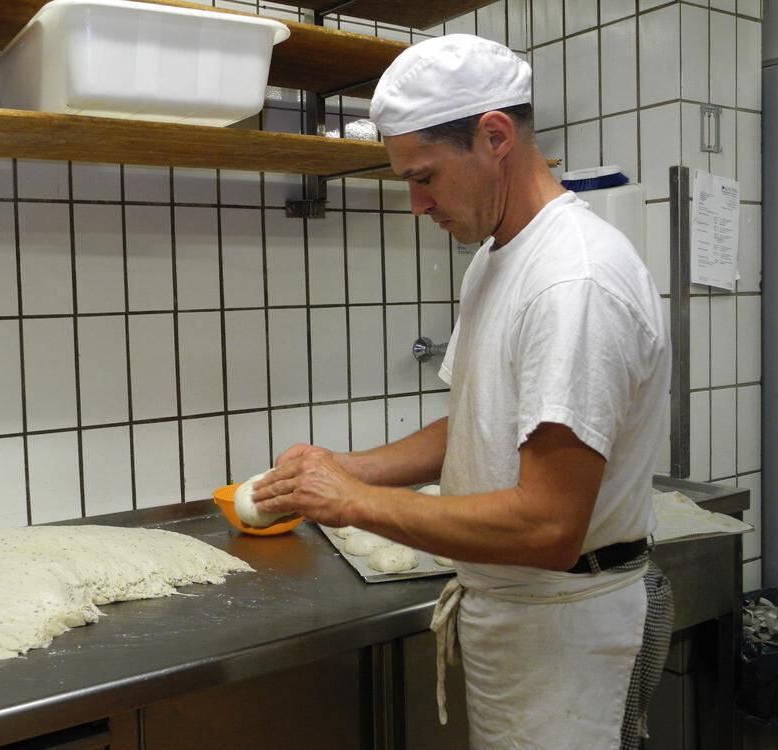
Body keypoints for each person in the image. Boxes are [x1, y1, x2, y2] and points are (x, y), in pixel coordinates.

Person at [251, 34, 674, 749]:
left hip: (568, 630)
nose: (418, 205)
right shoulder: (495, 258)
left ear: (495, 135)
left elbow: (548, 525)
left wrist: (353, 502)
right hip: (513, 616)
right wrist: (350, 466)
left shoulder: (574, 281)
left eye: (425, 177)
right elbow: (478, 421)